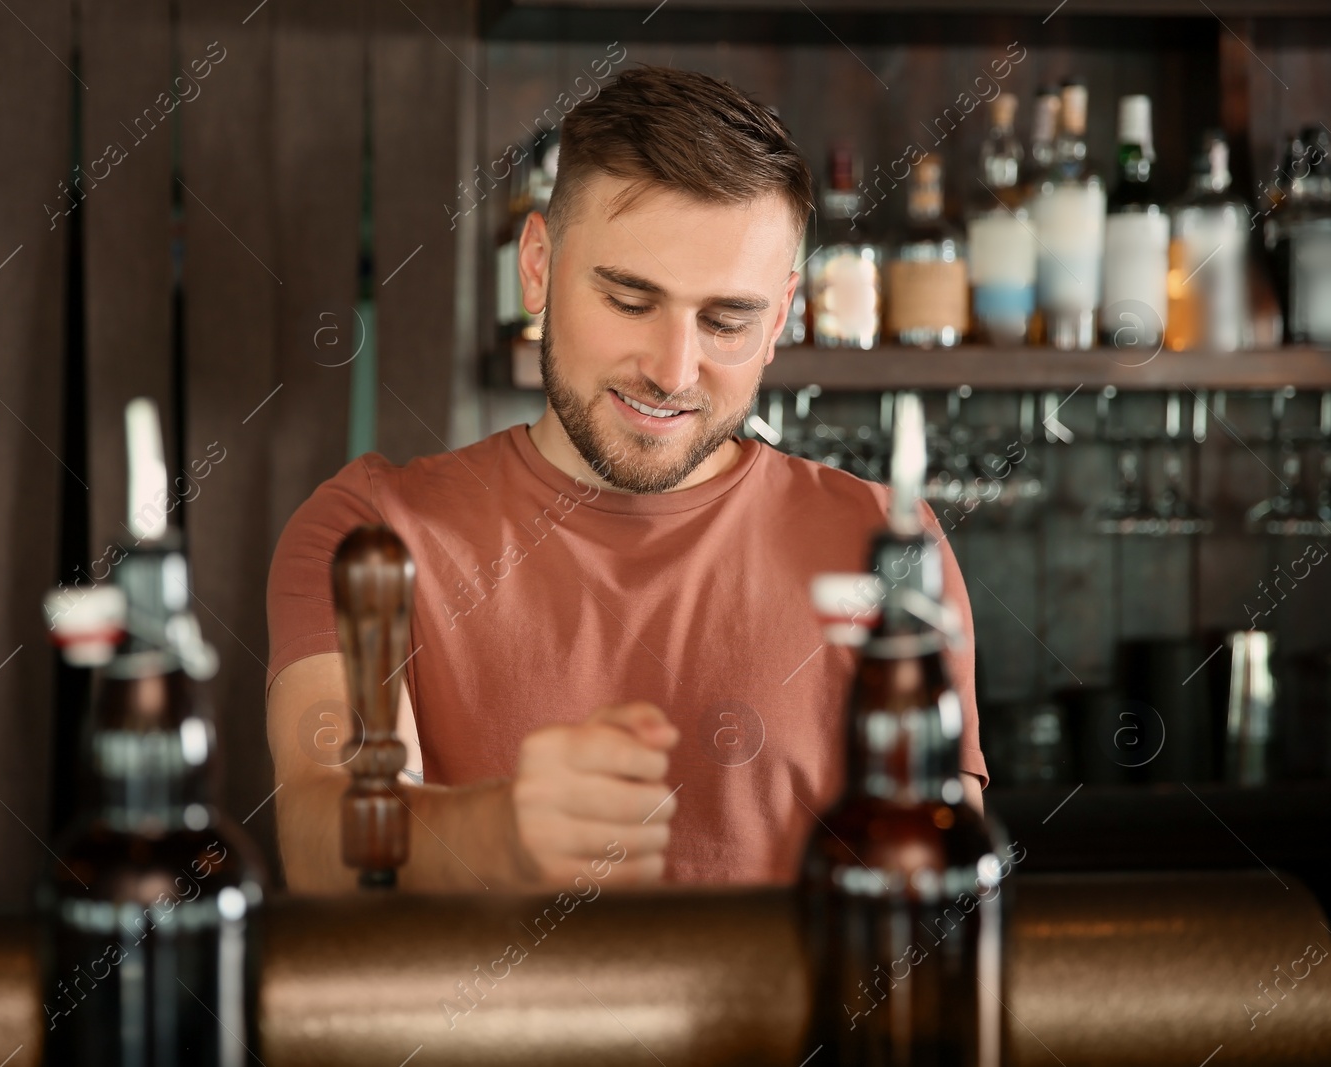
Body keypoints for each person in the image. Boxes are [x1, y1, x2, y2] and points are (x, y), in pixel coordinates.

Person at [265, 64, 987, 893]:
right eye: (628, 300)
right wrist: (499, 833)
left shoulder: (889, 548)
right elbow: (321, 838)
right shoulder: (369, 526)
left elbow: (938, 890)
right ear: (536, 265)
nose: (673, 371)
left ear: (781, 317)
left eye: (726, 320)